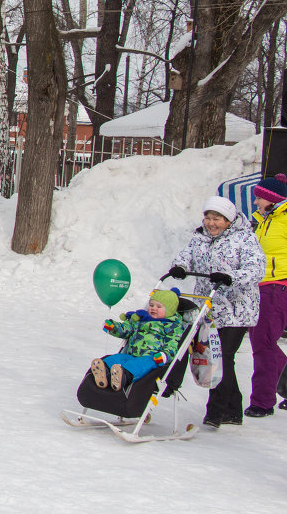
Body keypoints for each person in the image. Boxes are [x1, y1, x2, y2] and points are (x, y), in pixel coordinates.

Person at [168, 195, 264, 428]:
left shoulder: (244, 238)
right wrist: (180, 267)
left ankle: (216, 412)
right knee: (217, 358)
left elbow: (257, 268)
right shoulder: (200, 237)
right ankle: (233, 410)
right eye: (208, 218)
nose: (211, 223)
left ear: (229, 220)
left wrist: (232, 277)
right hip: (208, 308)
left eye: (217, 219)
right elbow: (186, 256)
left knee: (222, 358)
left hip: (237, 309)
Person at [245, 174, 287, 416]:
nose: (256, 202)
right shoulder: (263, 221)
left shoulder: (284, 219)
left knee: (263, 344)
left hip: (278, 286)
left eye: (259, 197)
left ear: (272, 199)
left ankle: (262, 401)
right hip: (261, 286)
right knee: (264, 342)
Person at [89, 289, 186, 391]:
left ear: (169, 310)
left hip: (152, 358)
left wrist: (165, 355)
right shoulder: (141, 319)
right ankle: (104, 371)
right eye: (151, 305)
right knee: (118, 358)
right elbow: (127, 329)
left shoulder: (172, 326)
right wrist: (113, 327)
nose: (153, 308)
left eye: (159, 306)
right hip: (131, 354)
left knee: (138, 365)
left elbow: (172, 344)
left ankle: (123, 376)